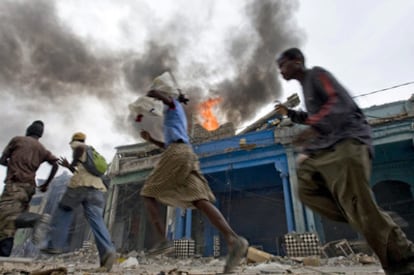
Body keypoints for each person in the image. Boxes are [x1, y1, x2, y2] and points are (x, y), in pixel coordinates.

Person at [274, 47, 414, 274]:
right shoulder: (307, 88)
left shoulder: (317, 75)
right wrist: (289, 113)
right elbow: (312, 117)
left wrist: (312, 130)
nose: (280, 71)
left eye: (283, 64)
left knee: (359, 207)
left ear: (297, 61)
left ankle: (402, 258)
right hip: (330, 147)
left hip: (349, 141)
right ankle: (377, 218)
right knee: (306, 188)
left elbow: (339, 103)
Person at [138, 72, 248, 274]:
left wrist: (153, 92)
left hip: (178, 153)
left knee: (147, 192)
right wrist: (152, 140)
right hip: (187, 155)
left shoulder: (172, 106)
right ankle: (234, 239)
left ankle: (162, 240)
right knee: (200, 199)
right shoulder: (176, 113)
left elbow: (167, 101)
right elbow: (172, 143)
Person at [41, 132, 116, 272]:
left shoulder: (80, 146)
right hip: (97, 188)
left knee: (63, 210)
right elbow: (79, 168)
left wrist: (73, 161)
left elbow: (80, 150)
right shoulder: (93, 154)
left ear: (75, 140)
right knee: (97, 221)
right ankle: (108, 251)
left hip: (80, 185)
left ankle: (54, 244)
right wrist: (70, 166)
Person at [0, 120, 58, 256]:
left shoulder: (17, 140)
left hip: (14, 184)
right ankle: (3, 257)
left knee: (5, 218)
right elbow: (55, 164)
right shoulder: (41, 149)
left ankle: (37, 219)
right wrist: (46, 184)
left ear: (28, 130)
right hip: (29, 188)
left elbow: (2, 160)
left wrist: (12, 166)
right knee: (9, 225)